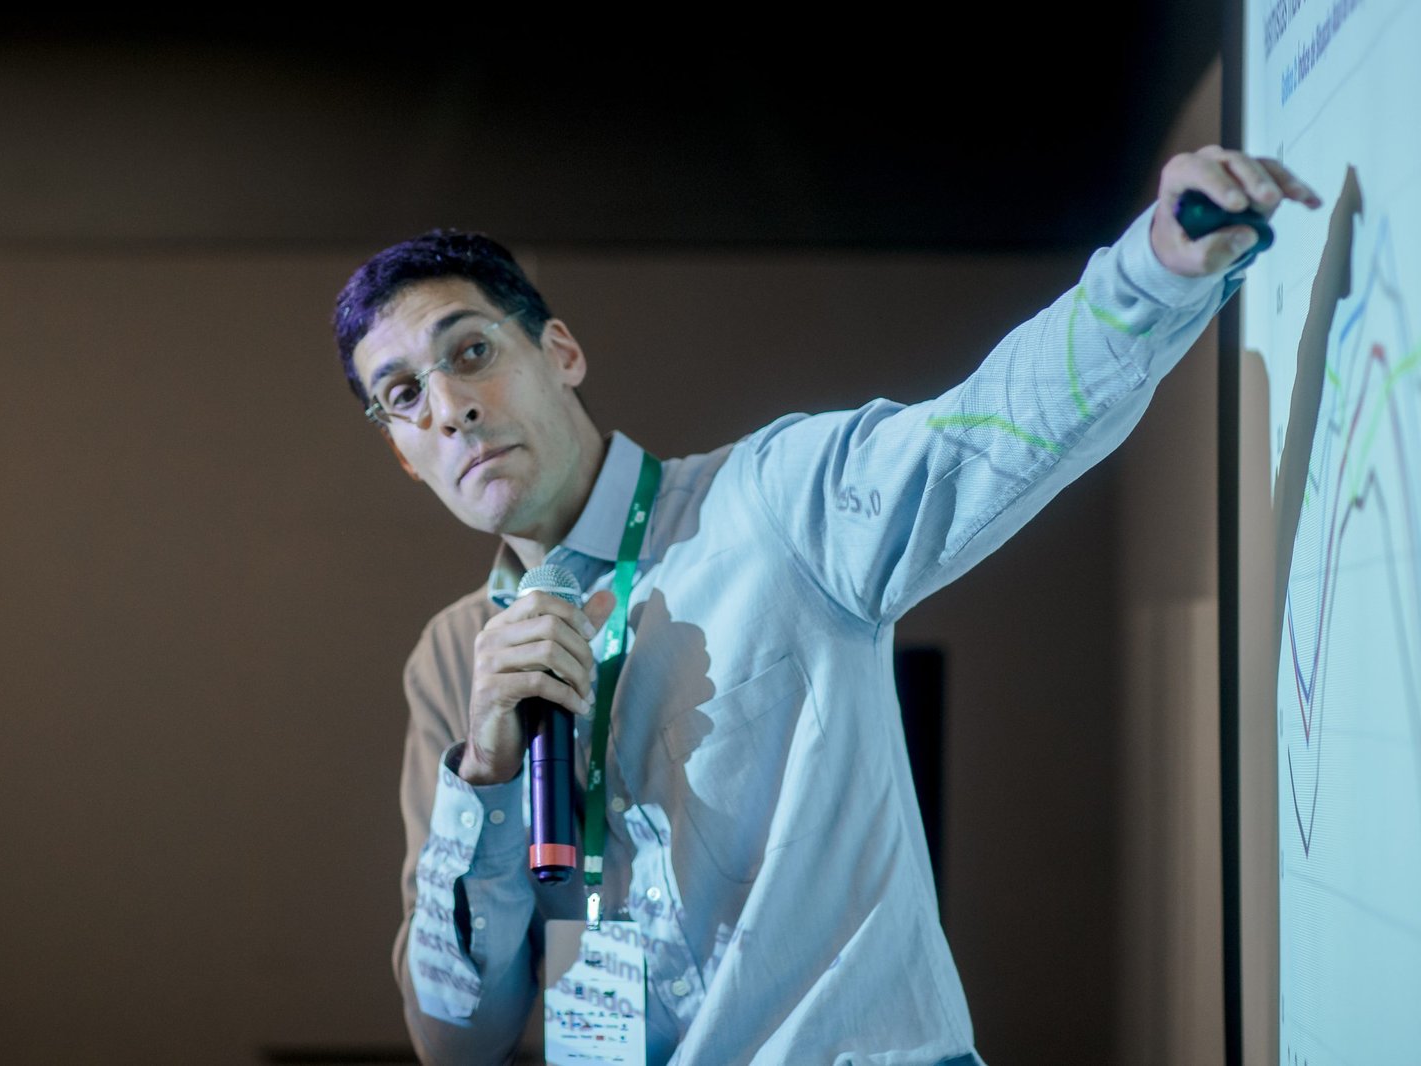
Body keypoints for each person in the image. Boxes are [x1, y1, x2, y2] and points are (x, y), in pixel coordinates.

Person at [331, 146, 1320, 1065]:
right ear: (402, 455)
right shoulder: (454, 657)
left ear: (561, 353)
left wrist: (1155, 269)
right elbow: (454, 1041)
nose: (449, 408)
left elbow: (982, 433)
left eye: (470, 352)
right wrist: (487, 774)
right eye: (402, 394)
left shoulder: (769, 504)